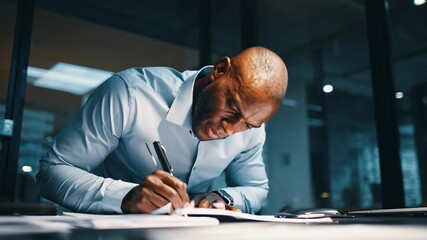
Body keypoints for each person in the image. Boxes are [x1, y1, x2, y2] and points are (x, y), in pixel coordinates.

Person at [36, 46, 288, 214]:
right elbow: (51, 172)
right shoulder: (130, 93)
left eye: (247, 124)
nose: (229, 129)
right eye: (232, 107)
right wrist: (126, 197)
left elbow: (256, 189)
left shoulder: (252, 127)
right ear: (220, 71)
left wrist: (222, 196)